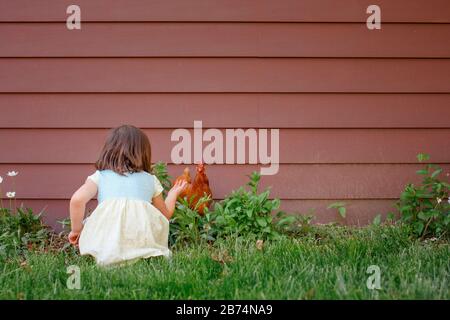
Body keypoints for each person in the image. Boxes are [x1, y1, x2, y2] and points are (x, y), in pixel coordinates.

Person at [68, 125, 186, 266]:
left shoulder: (100, 177)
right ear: (143, 153)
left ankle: (107, 255)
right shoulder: (150, 180)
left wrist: (76, 230)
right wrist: (172, 194)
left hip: (105, 244)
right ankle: (140, 254)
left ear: (109, 151)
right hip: (141, 242)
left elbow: (77, 200)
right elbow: (165, 214)